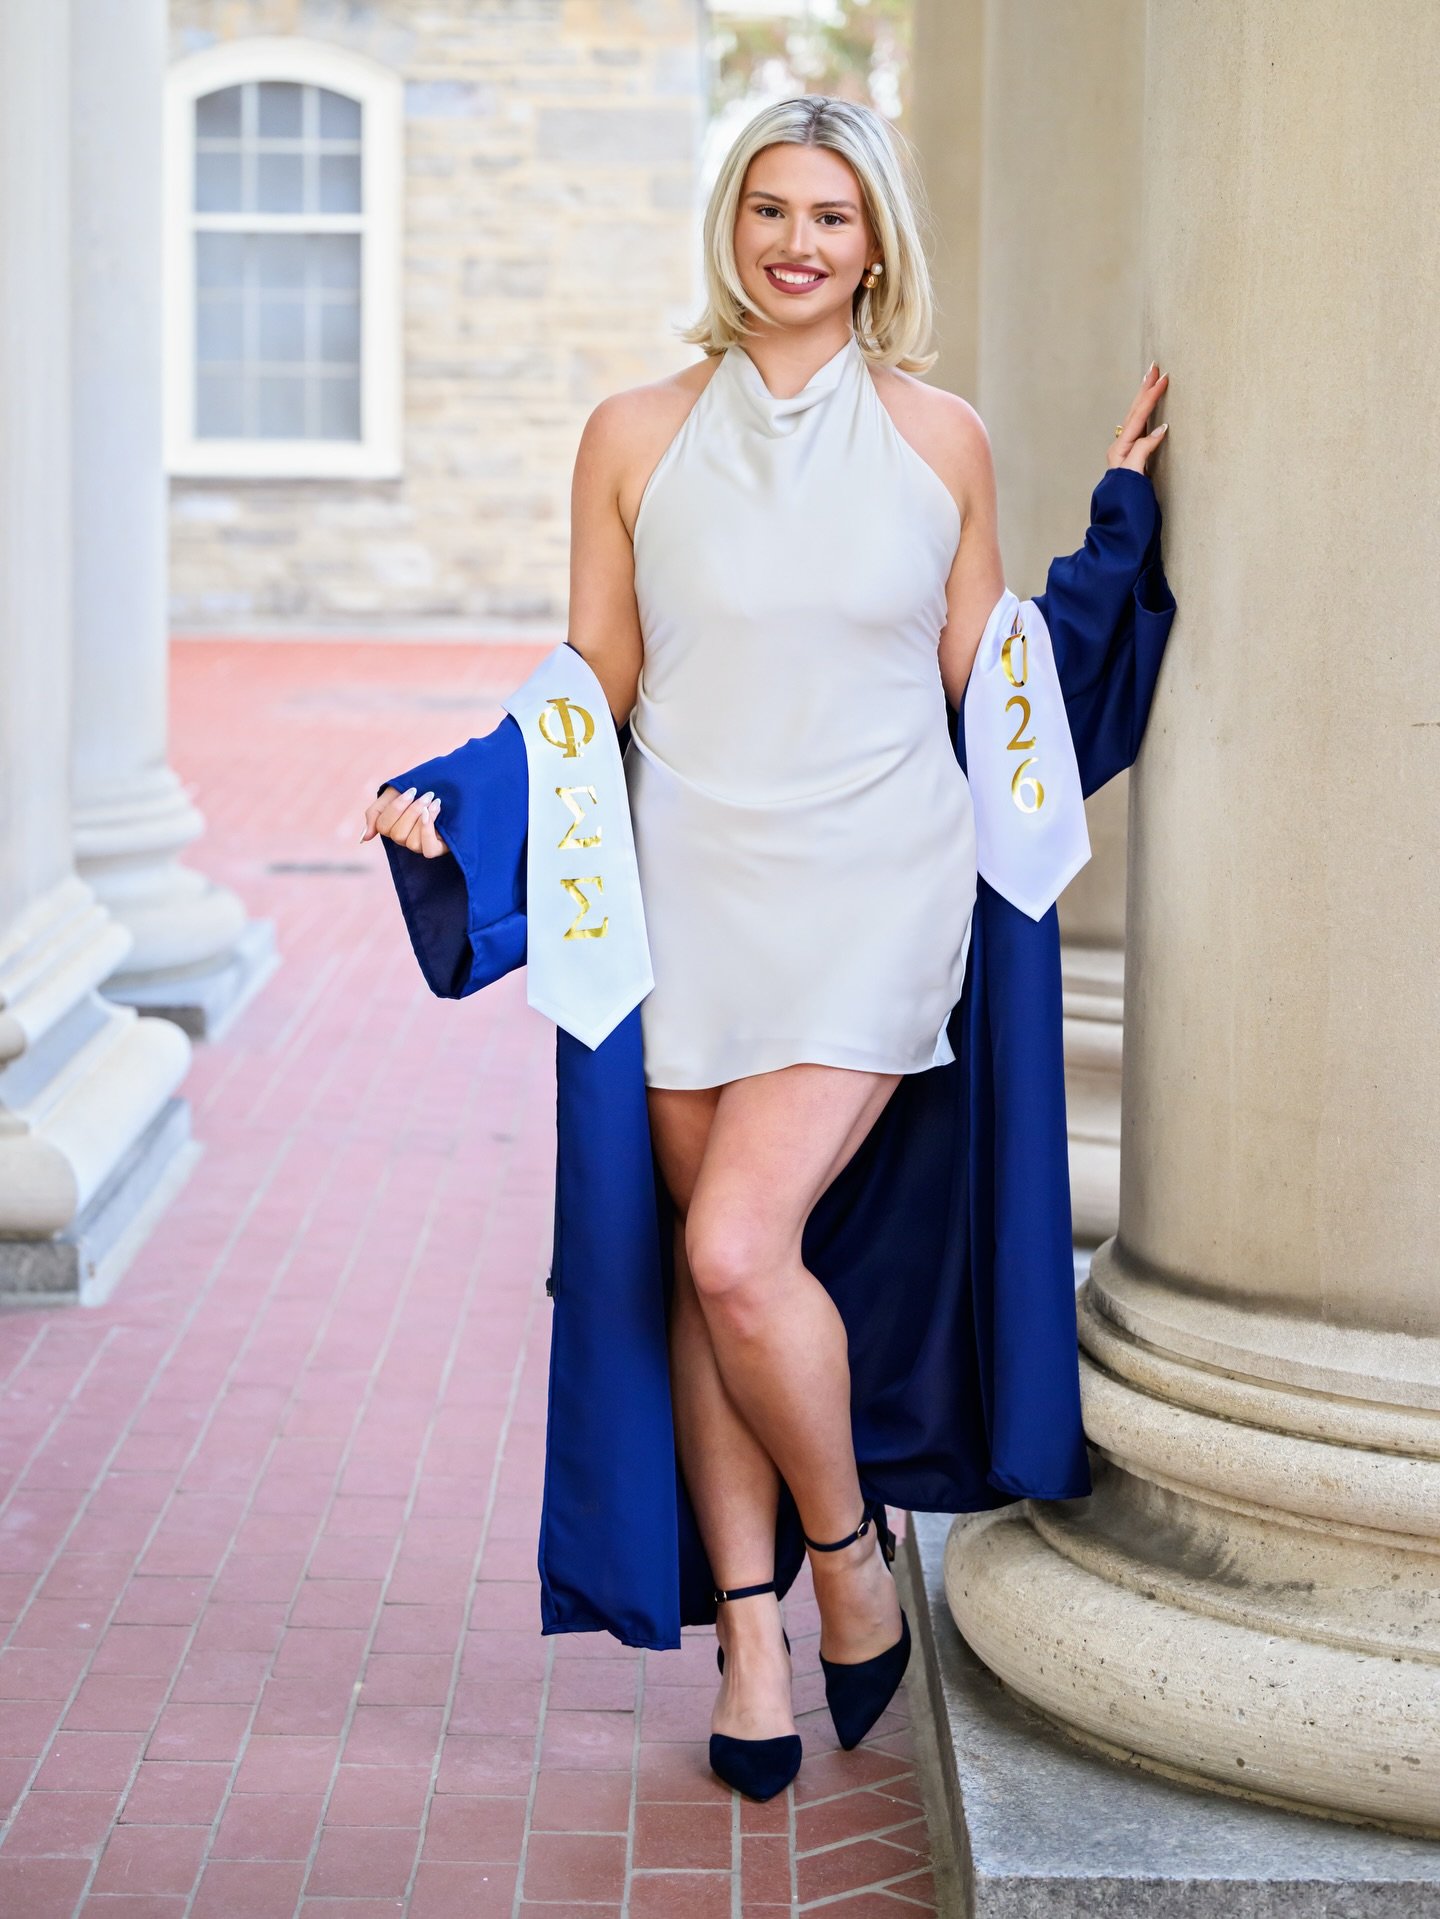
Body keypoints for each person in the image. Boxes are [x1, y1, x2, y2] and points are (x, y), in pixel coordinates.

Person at [364, 95, 1172, 1802]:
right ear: (731, 228)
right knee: (700, 1266)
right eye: (771, 210)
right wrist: (466, 796)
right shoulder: (632, 435)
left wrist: (1115, 540)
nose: (799, 243)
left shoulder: (941, 439)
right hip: (687, 895)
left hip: (877, 885)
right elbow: (596, 678)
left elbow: (990, 684)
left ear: (877, 247)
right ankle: (748, 1641)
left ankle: (847, 1559)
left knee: (738, 1248)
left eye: (832, 216)